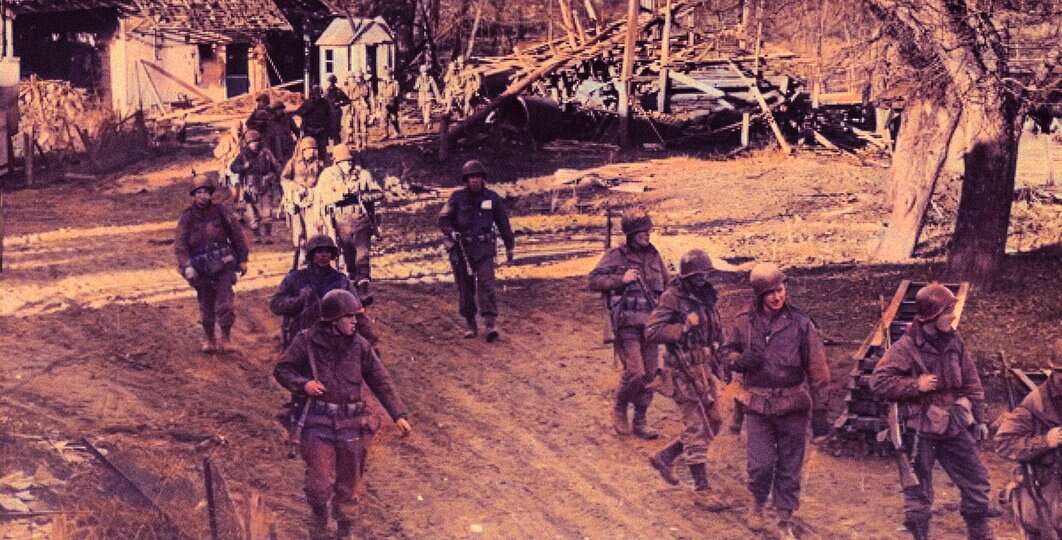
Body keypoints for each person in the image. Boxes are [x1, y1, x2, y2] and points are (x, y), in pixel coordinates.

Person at [274, 289, 412, 540]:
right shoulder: (306, 341)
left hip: (352, 424)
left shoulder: (360, 345)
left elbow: (381, 380)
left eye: (356, 317)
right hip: (317, 423)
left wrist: (398, 414)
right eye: (350, 317)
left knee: (349, 486)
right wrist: (304, 384)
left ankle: (344, 532)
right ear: (333, 319)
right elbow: (283, 369)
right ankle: (319, 521)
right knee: (319, 485)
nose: (355, 322)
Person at [871, 283, 994, 540]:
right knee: (918, 492)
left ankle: (980, 535)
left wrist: (980, 419)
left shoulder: (954, 340)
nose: (952, 317)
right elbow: (879, 382)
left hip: (954, 423)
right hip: (920, 428)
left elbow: (971, 381)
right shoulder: (906, 347)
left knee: (976, 481)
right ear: (932, 316)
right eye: (948, 312)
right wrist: (916, 385)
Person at [720, 263, 831, 534]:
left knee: (790, 466)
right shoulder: (744, 321)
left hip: (793, 404)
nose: (777, 297)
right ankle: (757, 503)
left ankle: (784, 517)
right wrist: (738, 360)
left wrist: (820, 412)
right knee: (760, 465)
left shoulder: (801, 324)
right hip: (758, 404)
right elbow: (725, 352)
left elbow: (818, 369)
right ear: (759, 296)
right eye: (770, 293)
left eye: (780, 290)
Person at [645, 249, 729, 510]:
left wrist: (721, 358)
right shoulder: (673, 297)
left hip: (704, 368)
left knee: (713, 423)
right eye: (697, 276)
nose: (702, 280)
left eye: (705, 275)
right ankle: (702, 490)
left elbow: (716, 329)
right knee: (697, 426)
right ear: (686, 277)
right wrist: (683, 328)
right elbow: (652, 331)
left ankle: (665, 457)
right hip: (683, 371)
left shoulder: (706, 296)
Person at [588, 208, 668, 439]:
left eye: (648, 231)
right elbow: (593, 281)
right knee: (635, 371)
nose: (647, 235)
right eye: (642, 232)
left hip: (651, 325)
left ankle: (640, 420)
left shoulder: (654, 256)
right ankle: (620, 407)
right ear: (631, 233)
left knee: (650, 374)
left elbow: (668, 283)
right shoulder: (617, 255)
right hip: (626, 324)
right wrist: (620, 280)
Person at [438, 159, 514, 342]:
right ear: (466, 179)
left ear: (483, 178)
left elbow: (503, 223)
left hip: (484, 249)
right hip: (462, 250)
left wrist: (510, 246)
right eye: (471, 177)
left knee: (487, 284)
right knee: (465, 287)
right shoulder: (456, 198)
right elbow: (443, 220)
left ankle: (489, 324)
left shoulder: (492, 198)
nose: (475, 180)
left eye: (478, 176)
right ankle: (471, 323)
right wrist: (451, 232)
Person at [175, 175, 249, 353]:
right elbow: (180, 245)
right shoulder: (187, 217)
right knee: (206, 303)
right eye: (199, 192)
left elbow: (237, 235)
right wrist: (187, 266)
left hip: (223, 264)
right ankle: (210, 339)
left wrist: (243, 259)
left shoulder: (221, 212)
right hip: (200, 268)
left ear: (211, 194)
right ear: (194, 195)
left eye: (206, 192)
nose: (203, 196)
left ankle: (226, 338)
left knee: (225, 303)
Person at [270, 234, 377, 348]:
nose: (324, 255)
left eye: (327, 251)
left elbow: (356, 310)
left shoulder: (341, 279)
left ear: (332, 255)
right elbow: (276, 305)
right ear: (311, 254)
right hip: (303, 336)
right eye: (319, 251)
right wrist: (299, 300)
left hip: (335, 335)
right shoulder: (295, 278)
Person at [996, 356, 1062, 540]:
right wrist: (1045, 442)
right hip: (1045, 484)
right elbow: (1004, 443)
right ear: (1055, 373)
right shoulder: (1034, 405)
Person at [318, 144, 384, 305]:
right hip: (340, 223)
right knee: (348, 257)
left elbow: (379, 193)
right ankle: (352, 287)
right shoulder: (328, 175)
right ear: (336, 162)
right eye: (344, 161)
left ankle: (363, 288)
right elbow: (323, 198)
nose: (348, 164)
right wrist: (340, 195)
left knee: (363, 255)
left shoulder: (363, 174)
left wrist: (362, 196)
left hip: (361, 221)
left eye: (349, 161)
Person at [230, 129, 282, 244]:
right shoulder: (243, 155)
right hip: (249, 188)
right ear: (247, 143)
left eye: (257, 141)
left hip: (265, 185)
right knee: (252, 214)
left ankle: (268, 236)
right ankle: (256, 236)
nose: (255, 144)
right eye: (252, 142)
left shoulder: (266, 153)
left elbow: (277, 167)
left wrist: (271, 175)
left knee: (267, 212)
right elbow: (233, 168)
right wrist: (244, 166)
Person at [281, 137, 328, 262]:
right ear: (302, 150)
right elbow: (284, 179)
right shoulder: (293, 163)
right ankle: (299, 255)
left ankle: (312, 256)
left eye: (314, 149)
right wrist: (296, 187)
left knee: (314, 228)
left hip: (314, 200)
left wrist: (318, 190)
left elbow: (327, 180)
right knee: (298, 231)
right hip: (297, 201)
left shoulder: (321, 164)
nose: (311, 152)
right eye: (308, 150)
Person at [212, 120, 243, 206]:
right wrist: (226, 155)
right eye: (236, 130)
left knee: (238, 190)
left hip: (239, 167)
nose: (238, 131)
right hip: (229, 168)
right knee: (233, 191)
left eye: (239, 130)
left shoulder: (241, 139)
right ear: (232, 129)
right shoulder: (227, 139)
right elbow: (217, 153)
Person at [294, 85, 333, 151]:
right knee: (310, 150)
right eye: (315, 93)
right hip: (309, 131)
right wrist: (308, 108)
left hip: (321, 131)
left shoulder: (325, 103)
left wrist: (325, 129)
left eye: (318, 93)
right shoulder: (307, 103)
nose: (317, 95)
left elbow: (329, 117)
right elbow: (299, 113)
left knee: (322, 150)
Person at [342, 72, 372, 151]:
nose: (358, 79)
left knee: (363, 124)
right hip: (354, 106)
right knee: (356, 126)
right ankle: (358, 143)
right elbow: (349, 96)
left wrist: (371, 110)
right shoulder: (353, 86)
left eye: (360, 77)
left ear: (362, 77)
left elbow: (367, 96)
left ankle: (364, 144)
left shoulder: (365, 86)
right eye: (357, 77)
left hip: (362, 107)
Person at [266, 100, 298, 165]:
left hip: (289, 148)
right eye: (278, 110)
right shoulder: (269, 122)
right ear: (274, 111)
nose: (281, 111)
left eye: (281, 109)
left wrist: (298, 141)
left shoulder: (288, 119)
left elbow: (296, 131)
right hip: (276, 149)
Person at [324, 73, 350, 146]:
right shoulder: (326, 91)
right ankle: (328, 149)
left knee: (336, 130)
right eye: (329, 82)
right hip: (328, 113)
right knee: (327, 130)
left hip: (336, 113)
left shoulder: (338, 91)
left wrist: (339, 103)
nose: (330, 84)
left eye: (331, 82)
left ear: (334, 82)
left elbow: (347, 100)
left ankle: (337, 147)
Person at [376, 68, 401, 140]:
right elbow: (379, 93)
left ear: (390, 76)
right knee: (384, 118)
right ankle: (385, 134)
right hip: (384, 103)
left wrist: (392, 100)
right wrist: (379, 99)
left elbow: (397, 94)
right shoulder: (382, 84)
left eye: (387, 76)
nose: (386, 77)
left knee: (393, 118)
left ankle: (396, 132)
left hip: (393, 103)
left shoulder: (395, 83)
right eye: (385, 76)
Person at [413, 64, 439, 128]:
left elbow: (435, 88)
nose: (425, 73)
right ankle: (428, 122)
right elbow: (415, 87)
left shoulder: (430, 78)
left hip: (429, 96)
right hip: (421, 96)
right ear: (421, 72)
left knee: (428, 110)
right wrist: (416, 86)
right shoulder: (419, 78)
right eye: (423, 72)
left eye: (426, 71)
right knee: (424, 110)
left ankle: (426, 122)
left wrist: (438, 97)